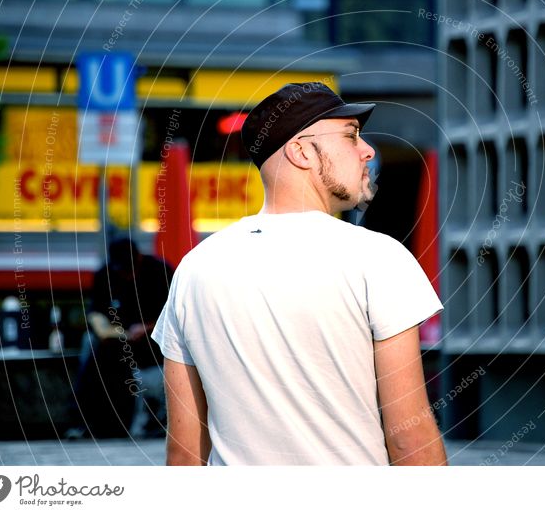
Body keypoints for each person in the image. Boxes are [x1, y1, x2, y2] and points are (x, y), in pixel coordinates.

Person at [153, 82, 447, 465]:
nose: (367, 150)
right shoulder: (377, 258)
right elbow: (410, 439)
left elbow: (184, 453)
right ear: (301, 151)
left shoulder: (194, 269)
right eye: (350, 135)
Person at [66, 237, 173, 438]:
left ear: (138, 259)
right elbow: (95, 311)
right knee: (90, 346)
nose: (126, 275)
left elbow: (174, 311)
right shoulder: (105, 274)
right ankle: (83, 419)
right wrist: (105, 329)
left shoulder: (160, 271)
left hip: (152, 340)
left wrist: (146, 327)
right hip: (114, 340)